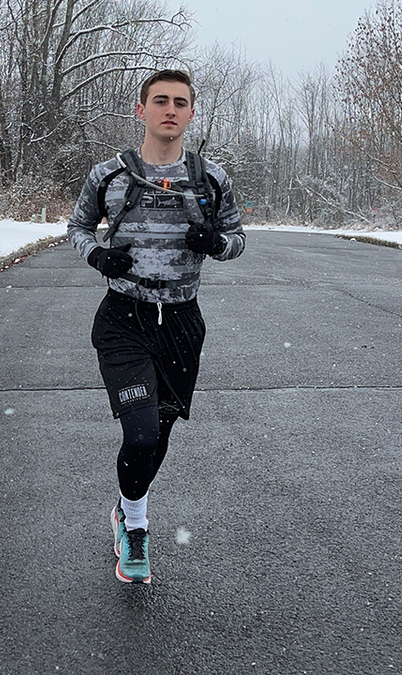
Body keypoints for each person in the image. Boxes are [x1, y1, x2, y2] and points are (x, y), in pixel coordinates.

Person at [67, 69, 245, 584]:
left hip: (183, 322)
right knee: (140, 434)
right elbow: (77, 227)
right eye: (160, 101)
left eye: (181, 102)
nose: (171, 109)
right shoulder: (110, 176)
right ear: (141, 110)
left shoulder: (211, 179)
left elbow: (237, 238)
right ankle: (137, 524)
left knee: (160, 432)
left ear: (191, 114)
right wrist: (98, 255)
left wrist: (216, 244)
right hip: (124, 318)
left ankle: (127, 508)